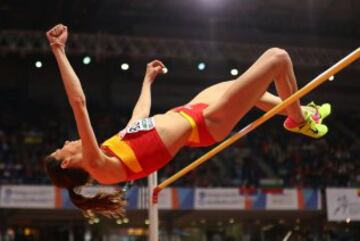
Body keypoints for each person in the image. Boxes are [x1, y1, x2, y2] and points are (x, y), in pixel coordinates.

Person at [44, 24, 331, 219]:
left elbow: (138, 118)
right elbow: (78, 102)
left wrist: (147, 82)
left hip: (191, 111)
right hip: (206, 123)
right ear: (67, 163)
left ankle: (305, 112)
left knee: (246, 88)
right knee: (277, 58)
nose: (68, 142)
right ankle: (298, 119)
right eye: (62, 149)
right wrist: (58, 50)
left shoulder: (108, 150)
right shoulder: (98, 165)